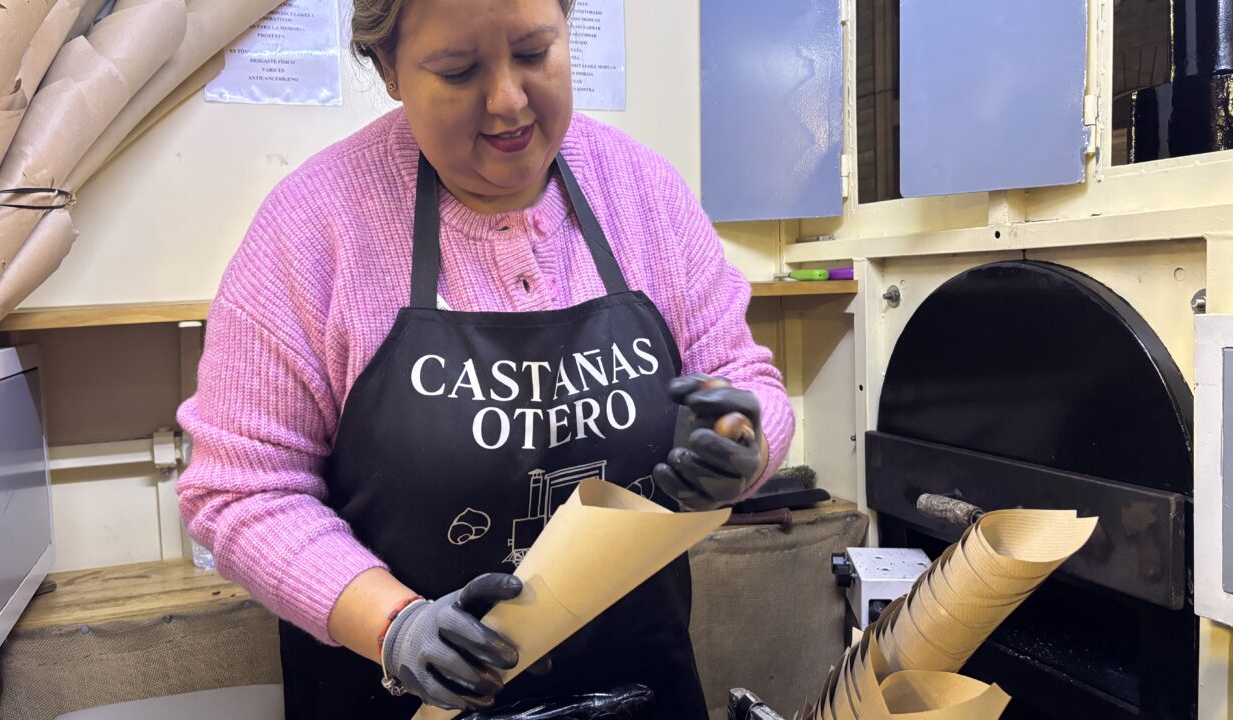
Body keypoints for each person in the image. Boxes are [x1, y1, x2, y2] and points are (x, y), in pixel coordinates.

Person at [176, 0, 794, 717]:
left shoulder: (645, 195)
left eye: (535, 53)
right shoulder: (312, 227)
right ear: (389, 69)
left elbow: (745, 380)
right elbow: (242, 491)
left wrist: (744, 445)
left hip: (638, 689)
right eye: (459, 69)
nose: (507, 101)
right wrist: (391, 622)